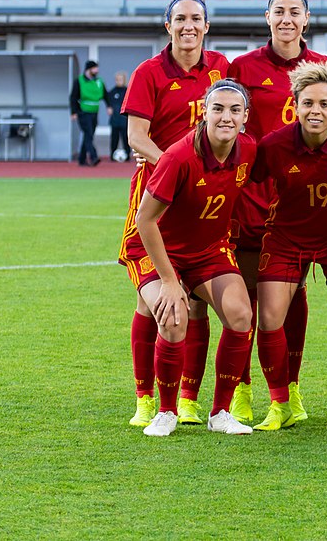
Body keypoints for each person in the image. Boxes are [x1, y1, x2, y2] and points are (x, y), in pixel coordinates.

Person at [120, 0, 230, 429]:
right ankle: (146, 397)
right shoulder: (148, 72)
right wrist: (176, 166)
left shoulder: (222, 68)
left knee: (197, 304)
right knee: (157, 303)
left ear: (206, 26)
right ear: (168, 26)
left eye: (196, 19)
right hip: (158, 195)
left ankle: (188, 398)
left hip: (205, 202)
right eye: (180, 18)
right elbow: (136, 137)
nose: (188, 26)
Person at [122, 80, 256, 437]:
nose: (226, 117)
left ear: (245, 117)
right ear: (204, 113)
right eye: (218, 109)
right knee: (174, 316)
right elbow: (145, 220)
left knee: (242, 315)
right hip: (156, 247)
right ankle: (165, 411)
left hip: (207, 250)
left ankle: (221, 413)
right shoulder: (179, 156)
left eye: (234, 110)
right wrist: (169, 282)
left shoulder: (250, 150)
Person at [226, 0, 327, 424]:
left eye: (295, 11)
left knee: (294, 294)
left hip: (302, 200)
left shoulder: (325, 67)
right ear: (267, 17)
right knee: (250, 296)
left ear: (306, 19)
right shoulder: (243, 66)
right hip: (252, 195)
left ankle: (290, 390)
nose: (287, 19)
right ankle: (242, 390)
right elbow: (225, 120)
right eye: (279, 11)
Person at [250, 60, 327, 431]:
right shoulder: (273, 146)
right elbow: (235, 170)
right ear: (295, 105)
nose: (315, 111)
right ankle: (281, 404)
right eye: (308, 103)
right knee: (269, 319)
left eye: (323, 104)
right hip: (287, 237)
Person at [70, 59, 104, 166]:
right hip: (83, 112)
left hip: (94, 112)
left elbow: (105, 94)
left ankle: (81, 159)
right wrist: (74, 112)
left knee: (88, 135)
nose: (97, 70)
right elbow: (73, 97)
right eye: (95, 68)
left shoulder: (98, 81)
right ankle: (94, 157)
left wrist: (109, 106)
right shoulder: (79, 81)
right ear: (89, 69)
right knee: (88, 134)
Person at [106, 71, 129, 161]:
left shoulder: (128, 91)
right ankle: (112, 154)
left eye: (120, 79)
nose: (119, 81)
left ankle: (127, 154)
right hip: (115, 120)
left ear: (124, 80)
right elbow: (108, 103)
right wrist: (109, 107)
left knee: (125, 138)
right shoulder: (112, 92)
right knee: (114, 138)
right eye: (117, 79)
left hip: (124, 120)